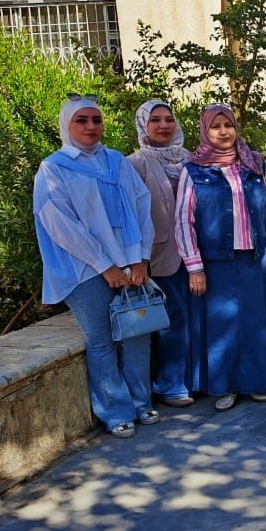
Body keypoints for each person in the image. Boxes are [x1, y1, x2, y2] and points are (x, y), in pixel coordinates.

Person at [34, 96, 158, 438]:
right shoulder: (53, 169)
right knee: (101, 339)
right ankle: (116, 412)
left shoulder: (117, 161)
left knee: (137, 334)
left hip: (130, 263)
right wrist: (105, 266)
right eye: (82, 120)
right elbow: (60, 224)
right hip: (85, 270)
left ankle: (141, 402)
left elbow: (141, 206)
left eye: (96, 120)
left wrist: (140, 258)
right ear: (67, 125)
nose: (91, 126)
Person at [174, 104, 266, 411]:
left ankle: (258, 382)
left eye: (227, 125)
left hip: (255, 260)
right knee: (223, 325)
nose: (223, 131)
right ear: (205, 131)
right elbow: (183, 221)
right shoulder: (194, 170)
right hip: (216, 263)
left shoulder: (253, 164)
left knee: (256, 322)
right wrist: (194, 267)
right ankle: (226, 386)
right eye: (215, 126)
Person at [127, 100, 198, 408]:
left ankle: (195, 379)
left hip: (195, 253)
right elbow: (131, 215)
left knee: (195, 318)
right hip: (159, 256)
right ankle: (170, 384)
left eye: (169, 119)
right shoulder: (135, 164)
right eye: (155, 120)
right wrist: (137, 259)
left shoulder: (191, 159)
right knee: (173, 320)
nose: (163, 125)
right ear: (143, 125)